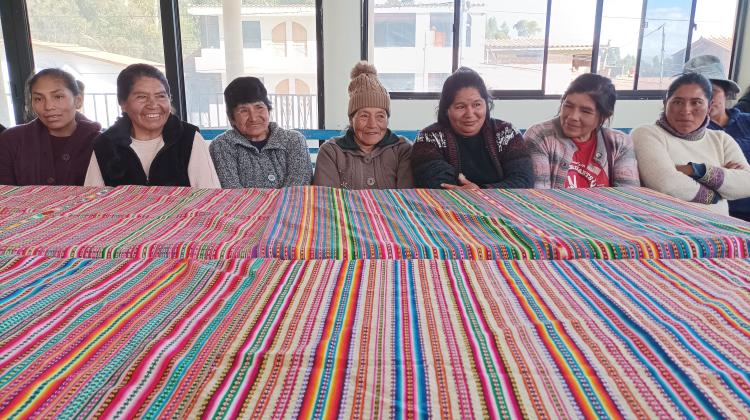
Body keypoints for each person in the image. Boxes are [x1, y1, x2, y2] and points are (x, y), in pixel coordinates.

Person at [632, 72, 750, 216]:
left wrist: (695, 170)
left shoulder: (721, 139)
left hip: (722, 228)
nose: (686, 111)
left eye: (696, 102)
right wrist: (718, 192)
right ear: (665, 103)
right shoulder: (647, 134)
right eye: (677, 102)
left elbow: (746, 183)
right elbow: (668, 184)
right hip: (671, 227)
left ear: (709, 106)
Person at [84, 63, 220, 187]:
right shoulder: (105, 144)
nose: (153, 105)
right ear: (123, 104)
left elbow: (210, 196)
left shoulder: (189, 138)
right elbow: (94, 200)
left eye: (161, 96)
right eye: (141, 97)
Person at [411, 67, 532, 190]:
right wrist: (469, 193)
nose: (470, 114)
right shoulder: (429, 138)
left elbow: (523, 180)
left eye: (477, 105)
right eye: (460, 106)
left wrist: (480, 191)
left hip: (502, 206)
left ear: (487, 104)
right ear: (446, 110)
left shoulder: (507, 133)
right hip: (447, 206)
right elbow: (437, 184)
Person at [524, 73, 639, 189]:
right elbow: (540, 195)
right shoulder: (541, 137)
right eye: (568, 106)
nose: (573, 116)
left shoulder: (619, 144)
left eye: (585, 111)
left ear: (604, 117)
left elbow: (628, 196)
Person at [313, 61, 412, 189]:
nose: (372, 124)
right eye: (364, 115)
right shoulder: (331, 152)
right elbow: (326, 200)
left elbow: (407, 198)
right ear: (351, 119)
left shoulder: (402, 150)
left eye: (380, 116)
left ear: (387, 119)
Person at [0, 68, 101, 186]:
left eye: (58, 97)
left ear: (78, 100)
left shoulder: (100, 142)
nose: (48, 106)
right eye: (38, 99)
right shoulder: (11, 140)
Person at [209, 77, 312, 188]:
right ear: (232, 118)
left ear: (268, 110)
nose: (253, 118)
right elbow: (232, 192)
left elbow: (298, 188)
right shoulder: (221, 145)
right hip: (243, 206)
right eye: (243, 110)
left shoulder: (294, 140)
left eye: (259, 107)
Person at [684, 55, 750, 221]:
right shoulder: (685, 132)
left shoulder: (746, 121)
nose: (706, 99)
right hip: (717, 216)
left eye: (713, 91)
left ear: (726, 93)